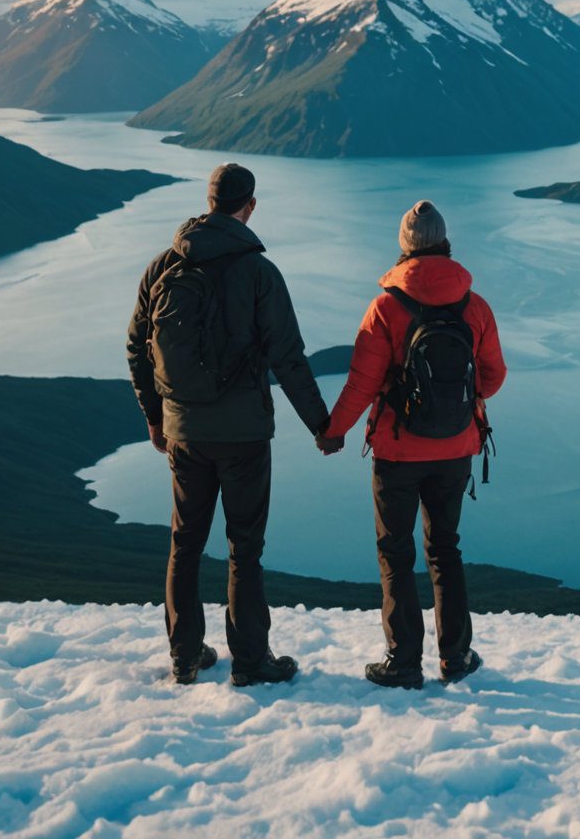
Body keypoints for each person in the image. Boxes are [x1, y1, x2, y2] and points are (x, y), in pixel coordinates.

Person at [126, 163, 329, 687]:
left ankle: (185, 655)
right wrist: (322, 425)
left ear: (209, 200)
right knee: (245, 550)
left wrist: (155, 417)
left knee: (185, 543)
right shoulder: (259, 273)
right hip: (244, 437)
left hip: (185, 434)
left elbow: (137, 348)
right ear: (250, 205)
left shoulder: (163, 266)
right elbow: (288, 358)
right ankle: (250, 660)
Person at [318, 199, 506, 689]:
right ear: (446, 243)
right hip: (456, 448)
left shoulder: (386, 307)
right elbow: (494, 376)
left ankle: (403, 662)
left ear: (404, 247)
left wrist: (334, 431)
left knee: (396, 553)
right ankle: (456, 658)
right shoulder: (475, 305)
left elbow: (361, 383)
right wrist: (458, 400)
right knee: (445, 549)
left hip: (398, 451)